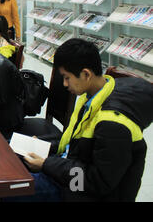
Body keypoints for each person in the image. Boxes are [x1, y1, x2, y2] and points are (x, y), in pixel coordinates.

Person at [20, 38, 153, 202]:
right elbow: (78, 147)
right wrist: (45, 148)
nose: (64, 84)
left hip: (80, 192)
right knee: (14, 164)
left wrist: (47, 165)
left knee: (11, 190)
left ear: (86, 74)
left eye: (67, 77)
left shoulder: (113, 124)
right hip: (69, 172)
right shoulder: (92, 96)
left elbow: (96, 183)